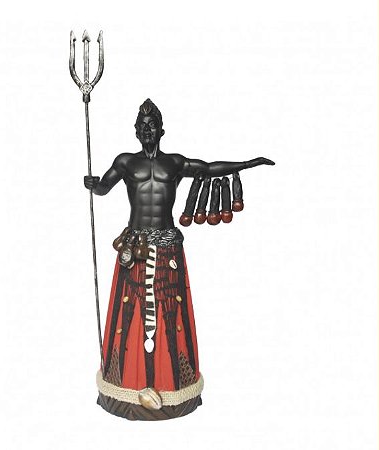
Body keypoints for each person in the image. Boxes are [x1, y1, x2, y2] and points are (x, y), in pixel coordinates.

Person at [84, 99, 274, 420]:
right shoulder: (125, 162)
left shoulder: (174, 163)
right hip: (135, 245)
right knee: (127, 315)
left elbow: (208, 168)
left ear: (161, 130)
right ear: (135, 131)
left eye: (152, 125)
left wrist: (245, 164)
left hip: (168, 246)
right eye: (142, 126)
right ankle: (123, 386)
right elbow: (104, 187)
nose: (147, 130)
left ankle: (173, 387)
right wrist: (94, 185)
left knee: (171, 318)